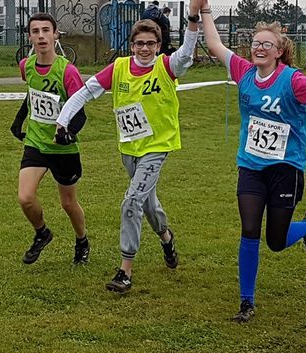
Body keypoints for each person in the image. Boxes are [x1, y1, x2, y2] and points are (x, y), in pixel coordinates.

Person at [197, 0, 306, 323]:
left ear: (278, 51)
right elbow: (214, 44)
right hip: (251, 166)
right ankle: (246, 302)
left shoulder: (293, 80)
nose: (259, 48)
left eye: (266, 45)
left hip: (287, 169)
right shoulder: (243, 71)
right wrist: (204, 10)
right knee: (249, 228)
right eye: (255, 43)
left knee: (275, 240)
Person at [56, 9, 200, 293]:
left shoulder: (167, 66)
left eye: (150, 44)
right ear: (132, 45)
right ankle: (166, 238)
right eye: (139, 43)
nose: (144, 49)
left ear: (158, 46)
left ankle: (125, 270)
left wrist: (193, 21)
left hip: (157, 148)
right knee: (148, 204)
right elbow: (85, 92)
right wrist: (63, 119)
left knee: (131, 202)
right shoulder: (119, 67)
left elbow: (186, 53)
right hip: (129, 148)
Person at [9, 12, 90, 265]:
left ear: (56, 35)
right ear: (30, 37)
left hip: (62, 148)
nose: (41, 36)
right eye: (36, 31)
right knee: (25, 197)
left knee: (68, 203)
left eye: (46, 30)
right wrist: (19, 120)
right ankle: (42, 233)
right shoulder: (26, 66)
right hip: (36, 142)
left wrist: (68, 134)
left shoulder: (67, 71)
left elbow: (80, 111)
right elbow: (33, 94)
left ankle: (82, 240)